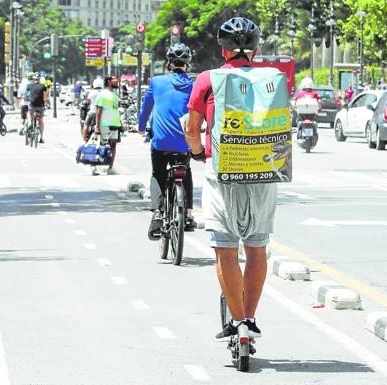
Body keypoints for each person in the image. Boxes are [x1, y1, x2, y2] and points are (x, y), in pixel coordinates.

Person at [185, 17, 276, 340]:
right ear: (256, 48)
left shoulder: (208, 80)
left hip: (222, 170)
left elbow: (192, 130)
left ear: (222, 50)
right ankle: (250, 318)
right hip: (263, 172)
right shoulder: (272, 79)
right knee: (257, 246)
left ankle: (237, 323)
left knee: (225, 248)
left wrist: (197, 152)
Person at [138, 43, 196, 238]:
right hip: (185, 142)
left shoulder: (157, 82)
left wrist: (140, 128)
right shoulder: (194, 85)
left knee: (157, 174)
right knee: (185, 171)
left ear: (168, 64)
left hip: (161, 142)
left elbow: (146, 109)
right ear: (187, 65)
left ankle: (157, 212)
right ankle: (188, 214)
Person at [94, 75, 123, 173]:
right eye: (115, 79)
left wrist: (120, 123)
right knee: (102, 146)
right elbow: (98, 111)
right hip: (104, 124)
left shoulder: (115, 95)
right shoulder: (102, 94)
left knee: (113, 146)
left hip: (115, 124)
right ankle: (97, 167)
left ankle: (110, 168)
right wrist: (97, 127)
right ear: (109, 81)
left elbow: (116, 110)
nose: (116, 81)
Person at [25, 74, 48, 143]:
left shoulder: (29, 86)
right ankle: (41, 137)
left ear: (33, 79)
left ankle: (30, 124)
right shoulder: (43, 86)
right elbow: (45, 96)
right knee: (41, 120)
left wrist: (26, 99)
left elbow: (25, 95)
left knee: (29, 113)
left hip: (32, 105)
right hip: (40, 106)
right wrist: (45, 103)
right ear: (39, 79)